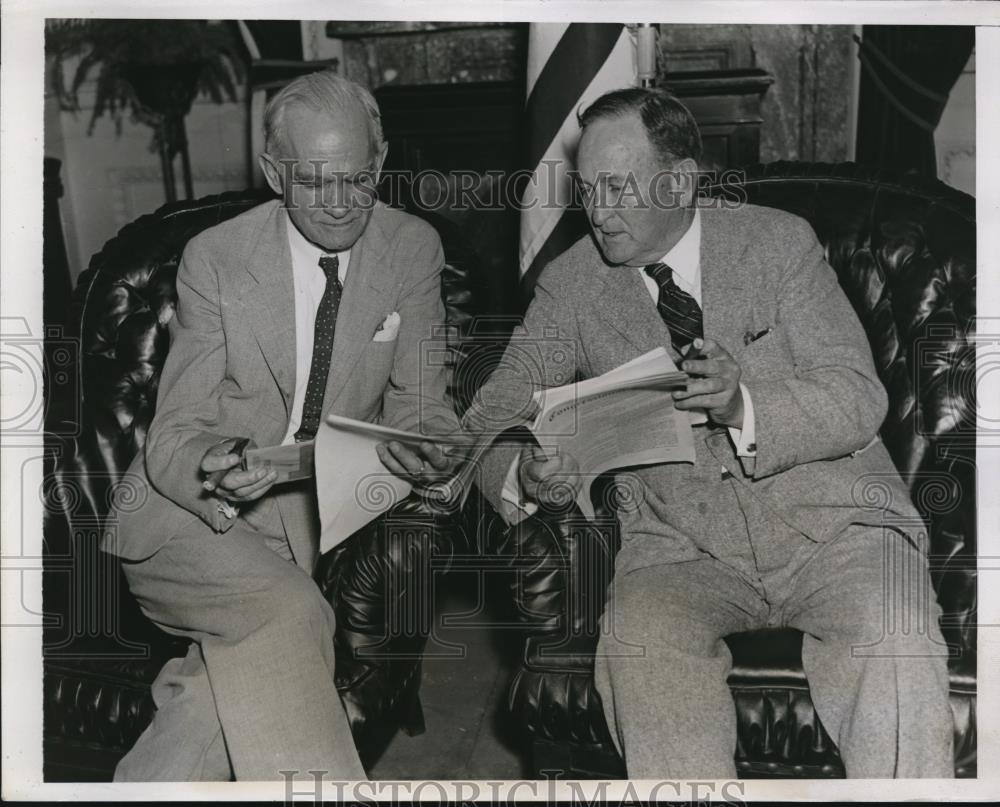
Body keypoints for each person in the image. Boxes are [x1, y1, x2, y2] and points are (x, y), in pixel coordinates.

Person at [463, 87, 953, 778]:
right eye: (585, 189)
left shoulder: (778, 243)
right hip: (677, 549)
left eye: (616, 186)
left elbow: (858, 395)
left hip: (838, 529)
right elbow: (489, 418)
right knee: (640, 647)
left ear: (681, 177)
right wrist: (522, 471)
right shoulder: (569, 285)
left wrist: (743, 402)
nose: (597, 212)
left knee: (895, 642)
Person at [102, 70, 461, 781]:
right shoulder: (218, 258)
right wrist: (221, 460)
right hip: (186, 518)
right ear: (274, 172)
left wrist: (426, 446)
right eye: (315, 182)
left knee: (211, 699)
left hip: (307, 527)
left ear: (381, 159)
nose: (339, 205)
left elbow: (425, 405)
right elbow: (173, 433)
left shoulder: (410, 248)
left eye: (358, 179)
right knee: (295, 615)